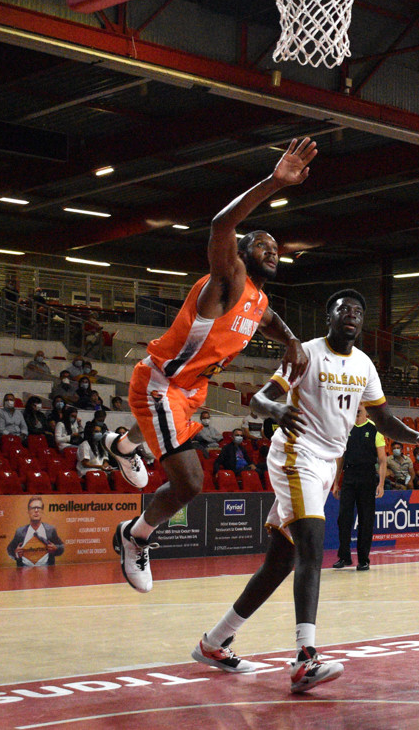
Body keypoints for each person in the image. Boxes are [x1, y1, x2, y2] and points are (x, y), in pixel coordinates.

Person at [189, 289, 419, 694]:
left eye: (359, 311)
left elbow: (382, 417)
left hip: (325, 465)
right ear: (329, 316)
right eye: (344, 309)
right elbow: (261, 400)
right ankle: (306, 658)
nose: (352, 316)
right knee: (313, 545)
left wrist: (415, 435)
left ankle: (213, 642)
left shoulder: (364, 364)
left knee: (280, 562)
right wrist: (277, 411)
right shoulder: (305, 352)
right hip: (296, 454)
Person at [111, 139, 315, 593]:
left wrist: (292, 340)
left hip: (190, 389)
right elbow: (222, 222)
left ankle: (124, 446)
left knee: (174, 448)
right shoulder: (228, 280)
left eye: (276, 247)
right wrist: (274, 182)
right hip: (162, 383)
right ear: (240, 254)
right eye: (262, 244)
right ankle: (135, 536)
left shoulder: (259, 298)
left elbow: (267, 318)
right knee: (190, 485)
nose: (272, 249)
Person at [333, 405, 387, 571]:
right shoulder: (346, 428)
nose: (356, 410)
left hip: (367, 476)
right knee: (344, 518)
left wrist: (381, 483)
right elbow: (340, 458)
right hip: (349, 476)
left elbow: (383, 460)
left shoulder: (375, 429)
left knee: (366, 519)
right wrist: (336, 482)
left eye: (360, 408)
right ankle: (344, 556)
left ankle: (363, 559)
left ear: (366, 411)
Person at [5, 497, 64, 567]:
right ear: (28, 511)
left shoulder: (50, 530)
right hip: (24, 571)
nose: (36, 511)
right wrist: (16, 554)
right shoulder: (20, 532)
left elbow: (62, 547)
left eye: (39, 508)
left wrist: (56, 548)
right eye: (33, 508)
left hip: (46, 571)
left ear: (42, 511)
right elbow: (10, 549)